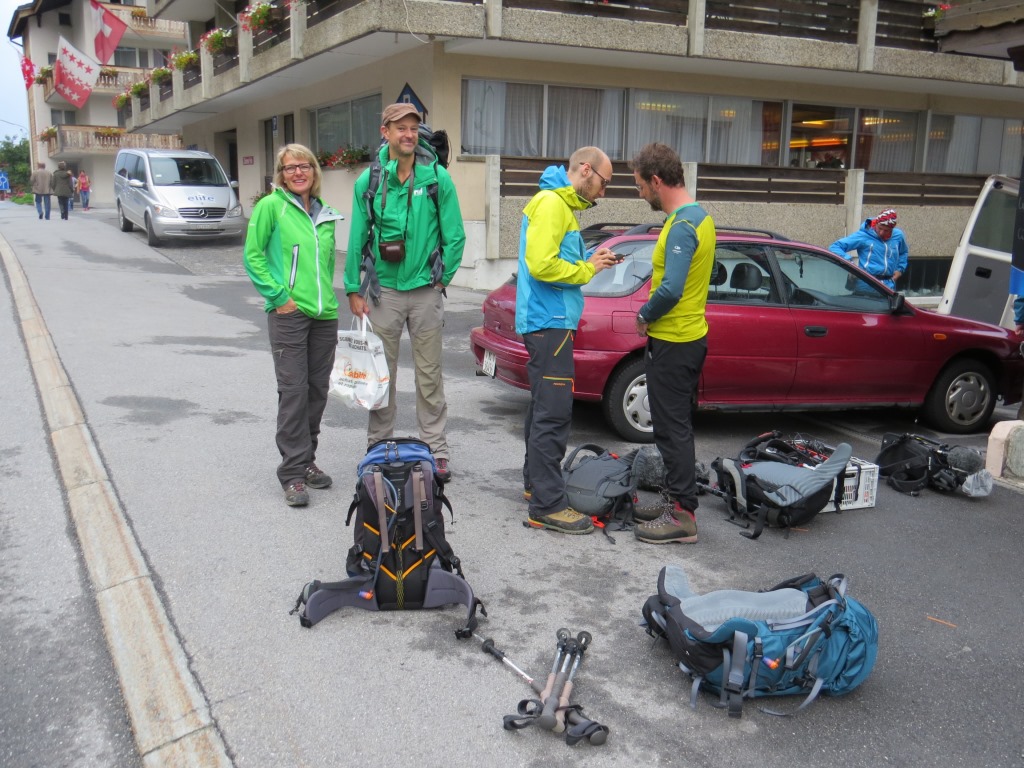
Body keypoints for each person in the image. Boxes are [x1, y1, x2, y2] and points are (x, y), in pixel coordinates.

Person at [344, 103, 466, 482]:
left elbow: (455, 235)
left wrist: (442, 279)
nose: (409, 134)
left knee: (429, 375)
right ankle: (378, 445)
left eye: (413, 128)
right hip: (383, 293)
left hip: (426, 291)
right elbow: (357, 237)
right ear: (386, 132)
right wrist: (353, 288)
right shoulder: (369, 181)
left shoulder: (436, 178)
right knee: (381, 374)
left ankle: (436, 449)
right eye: (401, 128)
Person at [517, 147, 617, 535]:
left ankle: (537, 485)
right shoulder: (552, 204)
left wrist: (592, 258)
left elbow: (554, 257)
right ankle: (547, 505)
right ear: (586, 170)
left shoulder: (560, 205)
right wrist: (588, 268)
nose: (604, 192)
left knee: (544, 407)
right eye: (604, 182)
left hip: (551, 322)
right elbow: (541, 264)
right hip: (550, 322)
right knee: (553, 414)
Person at [244, 144, 345, 507]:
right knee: (293, 392)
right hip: (289, 314)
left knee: (317, 391)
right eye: (290, 168)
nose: (298, 172)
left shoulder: (325, 213)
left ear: (314, 171)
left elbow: (327, 265)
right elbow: (252, 256)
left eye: (304, 166)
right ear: (281, 175)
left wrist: (333, 297)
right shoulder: (271, 206)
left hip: (324, 315)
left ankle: (306, 460)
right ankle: (291, 473)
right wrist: (279, 296)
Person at [631, 142, 716, 545]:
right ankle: (674, 502)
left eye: (640, 186)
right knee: (671, 427)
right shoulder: (700, 218)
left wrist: (644, 314)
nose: (640, 194)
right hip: (686, 337)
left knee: (672, 430)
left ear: (656, 180)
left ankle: (682, 516)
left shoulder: (682, 225)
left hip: (674, 340)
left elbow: (671, 288)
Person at [829, 207, 908, 290]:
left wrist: (900, 269)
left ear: (892, 229)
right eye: (880, 228)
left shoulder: (898, 236)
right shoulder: (864, 235)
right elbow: (835, 247)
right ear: (876, 223)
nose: (881, 232)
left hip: (888, 286)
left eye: (886, 230)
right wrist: (849, 262)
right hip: (866, 286)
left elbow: (903, 252)